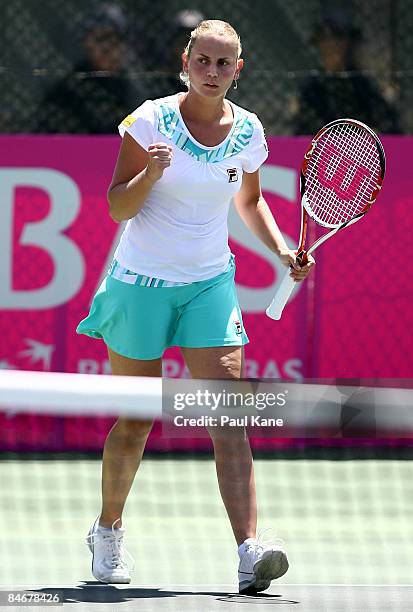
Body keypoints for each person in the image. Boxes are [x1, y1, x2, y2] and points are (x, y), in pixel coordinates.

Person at [77, 19, 314, 594]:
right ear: (185, 62)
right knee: (136, 421)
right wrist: (151, 172)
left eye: (223, 63)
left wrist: (282, 249)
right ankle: (107, 530)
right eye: (202, 61)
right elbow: (116, 207)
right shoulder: (150, 120)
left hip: (210, 283)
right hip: (141, 283)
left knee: (228, 417)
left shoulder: (250, 131)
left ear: (240, 68)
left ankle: (248, 550)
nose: (212, 72)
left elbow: (250, 200)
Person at [34, 4, 146, 133]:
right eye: (100, 39)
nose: (107, 47)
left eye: (114, 39)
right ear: (86, 42)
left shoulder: (133, 88)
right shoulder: (69, 88)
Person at [291, 8, 399, 135]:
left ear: (348, 42)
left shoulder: (363, 85)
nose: (331, 44)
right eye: (325, 38)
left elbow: (388, 125)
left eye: (337, 37)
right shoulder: (311, 88)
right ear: (318, 43)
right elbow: (304, 131)